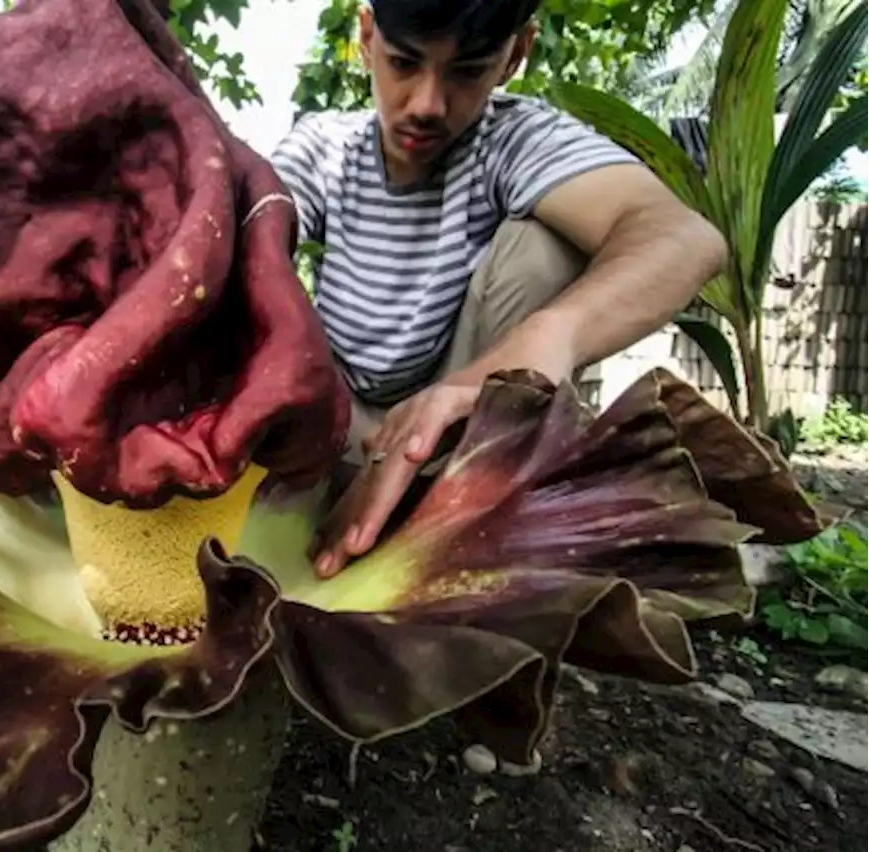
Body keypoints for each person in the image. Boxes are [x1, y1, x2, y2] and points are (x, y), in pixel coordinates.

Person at [269, 0, 728, 578]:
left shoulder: (516, 139)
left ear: (516, 53)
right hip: (329, 427)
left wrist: (531, 351)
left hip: (460, 434)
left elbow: (685, 238)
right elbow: (237, 252)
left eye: (466, 72)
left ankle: (469, 518)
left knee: (547, 245)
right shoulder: (323, 149)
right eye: (404, 63)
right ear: (366, 37)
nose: (427, 105)